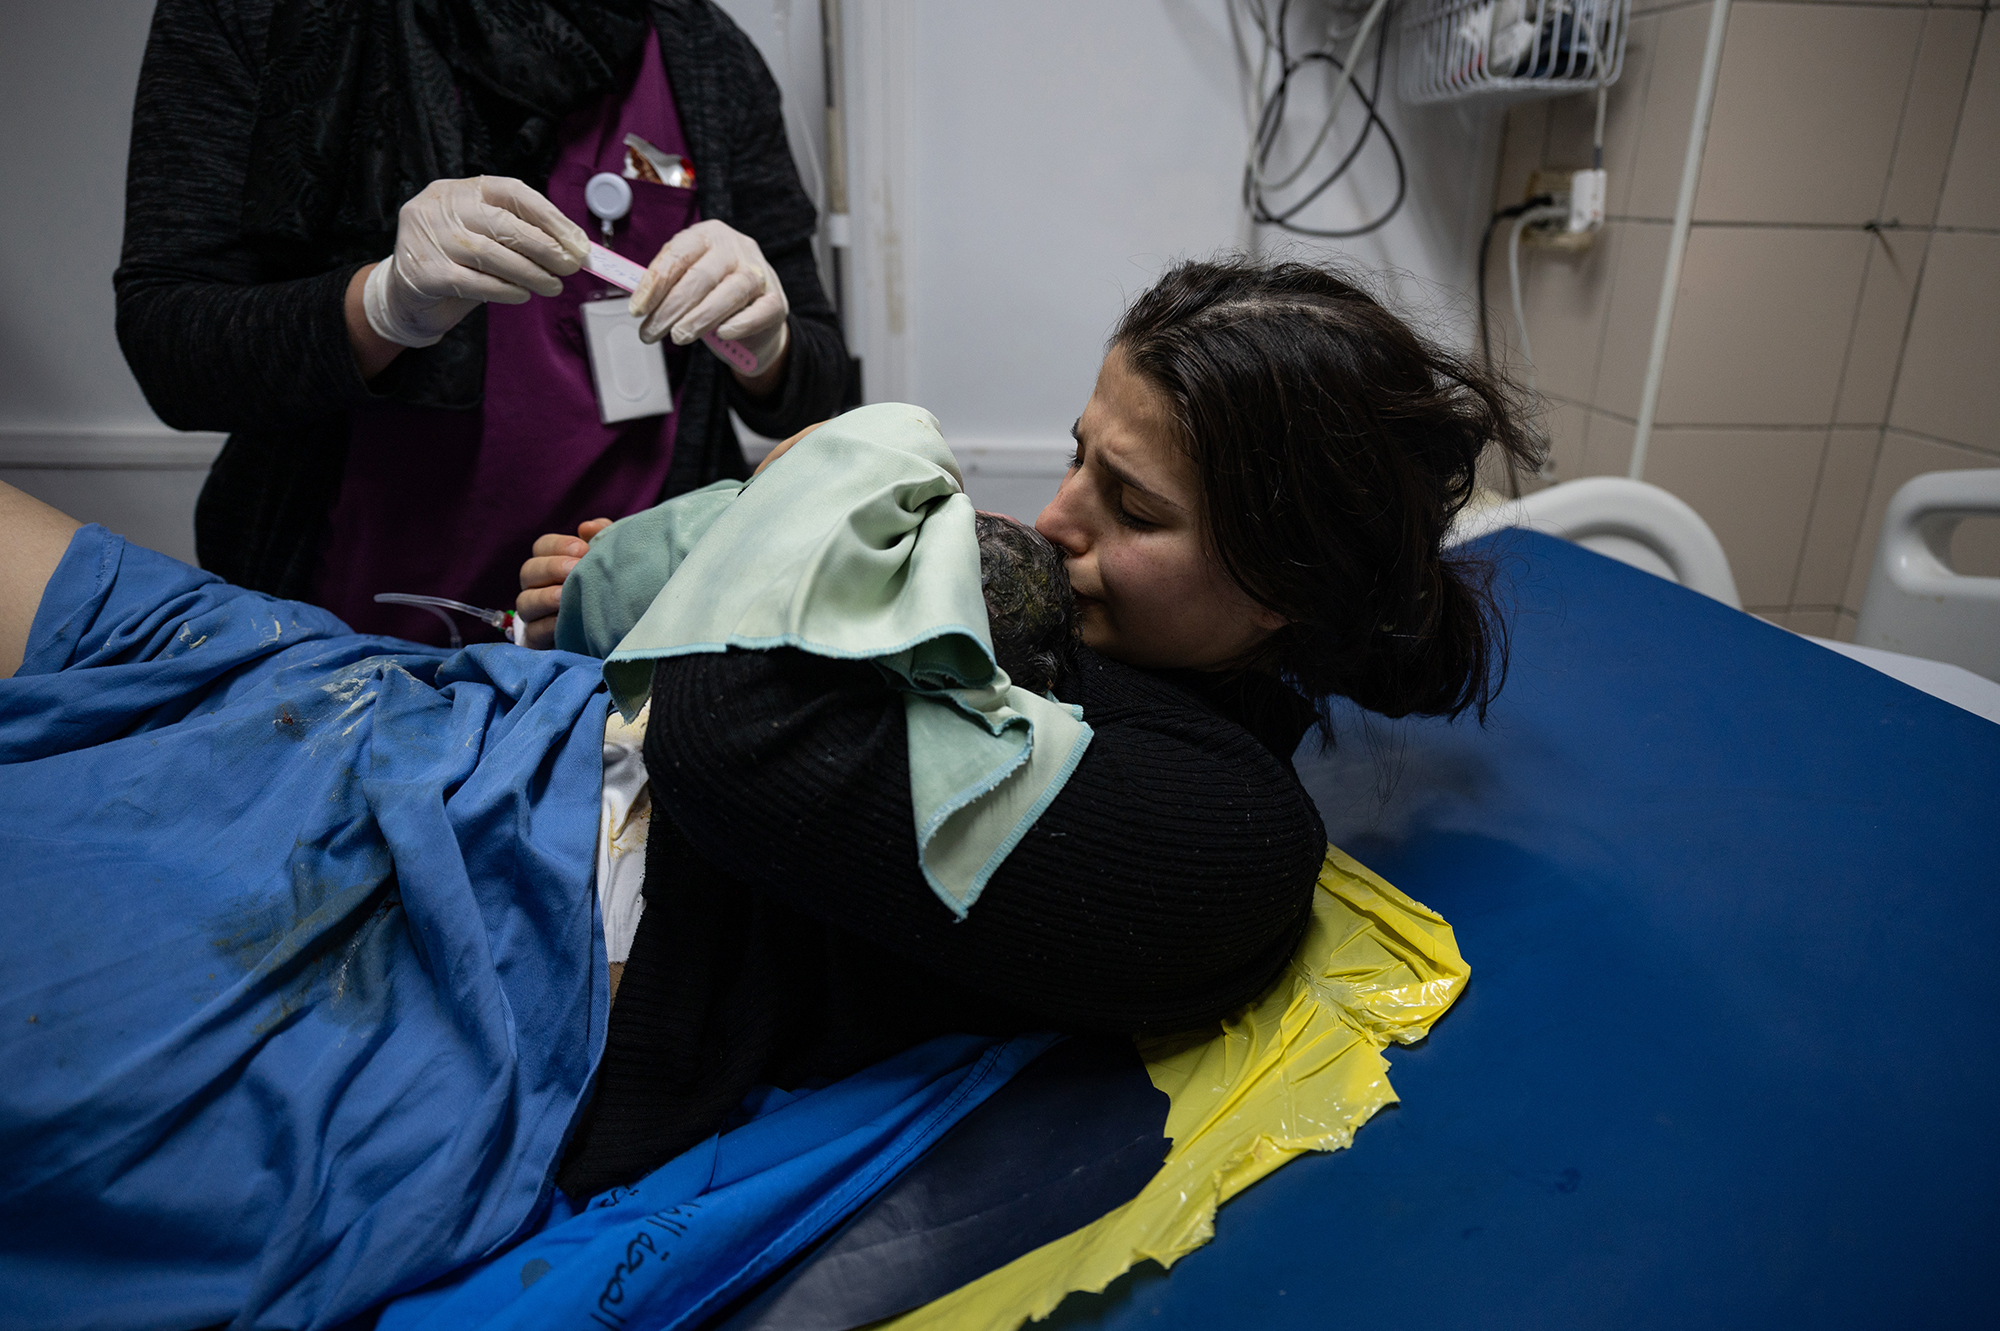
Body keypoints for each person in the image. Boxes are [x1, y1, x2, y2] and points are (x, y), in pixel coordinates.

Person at [3, 255, 1536, 1327]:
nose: (1058, 514)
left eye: (1131, 507)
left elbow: (729, 732)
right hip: (452, 725)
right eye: (1081, 456)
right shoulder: (1062, 617)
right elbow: (724, 650)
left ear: (1281, 587)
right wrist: (679, 558)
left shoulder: (1215, 830)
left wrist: (818, 487)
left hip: (472, 936)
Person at [115, 0, 852, 645]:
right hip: (339, 636)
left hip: (629, 643)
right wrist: (380, 306)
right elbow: (170, 344)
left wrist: (767, 344)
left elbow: (815, 388)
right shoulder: (260, 18)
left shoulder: (705, 56)